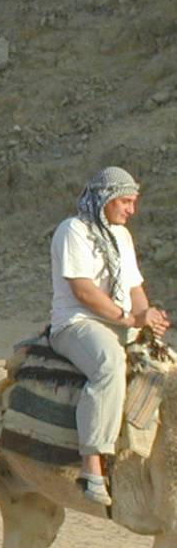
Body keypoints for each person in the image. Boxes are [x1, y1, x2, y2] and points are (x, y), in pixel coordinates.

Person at [47, 166, 169, 505]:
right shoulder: (73, 231)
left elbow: (133, 287)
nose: (132, 210)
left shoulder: (121, 236)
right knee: (109, 363)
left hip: (120, 321)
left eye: (134, 202)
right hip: (77, 324)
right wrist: (129, 317)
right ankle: (92, 465)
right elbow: (83, 290)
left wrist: (148, 319)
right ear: (105, 199)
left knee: (167, 363)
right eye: (126, 202)